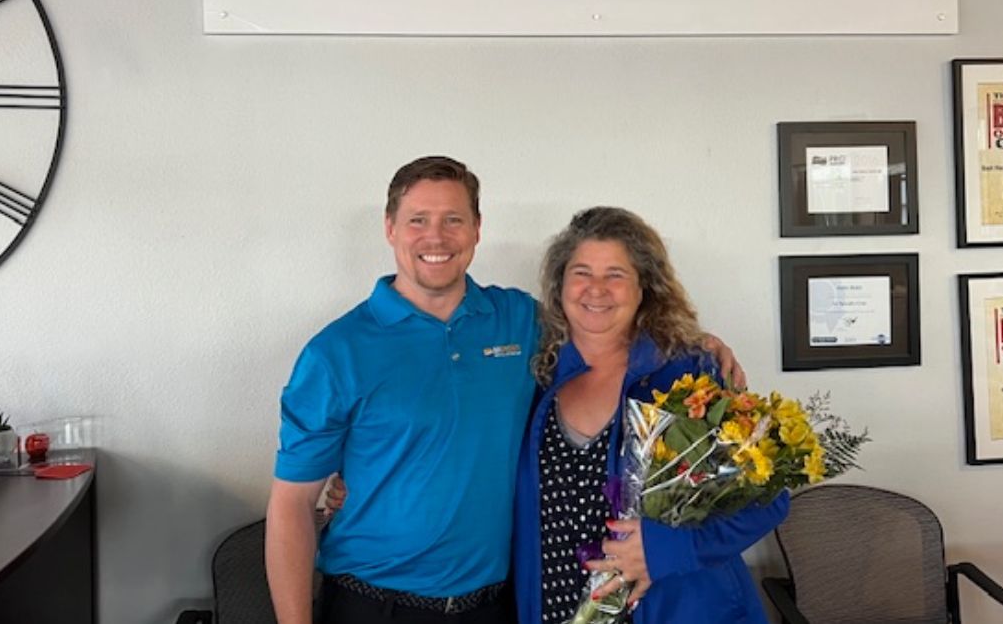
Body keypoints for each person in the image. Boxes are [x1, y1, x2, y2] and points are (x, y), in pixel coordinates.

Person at [267, 157, 743, 624]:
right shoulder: (336, 352)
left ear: (477, 229)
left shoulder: (521, 321)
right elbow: (291, 505)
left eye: (453, 219)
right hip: (373, 605)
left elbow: (601, 324)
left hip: (496, 606)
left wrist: (695, 343)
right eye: (418, 220)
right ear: (390, 228)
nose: (436, 237)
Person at [511, 206, 788, 624]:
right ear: (560, 284)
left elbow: (770, 500)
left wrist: (665, 550)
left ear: (645, 288)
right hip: (557, 609)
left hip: (679, 608)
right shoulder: (533, 376)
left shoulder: (691, 373)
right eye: (581, 272)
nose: (596, 289)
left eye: (615, 275)